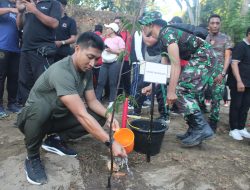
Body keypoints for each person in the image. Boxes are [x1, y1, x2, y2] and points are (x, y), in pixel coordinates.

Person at [16, 32, 127, 185]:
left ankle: (55, 140)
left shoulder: (86, 71)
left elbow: (92, 101)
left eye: (97, 59)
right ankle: (32, 156)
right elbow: (81, 114)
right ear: (77, 49)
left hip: (57, 117)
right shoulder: (62, 71)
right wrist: (110, 142)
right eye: (90, 57)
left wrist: (109, 116)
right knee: (41, 108)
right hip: (33, 120)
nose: (93, 63)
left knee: (99, 116)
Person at [139, 11, 218, 147]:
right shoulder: (163, 40)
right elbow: (164, 70)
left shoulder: (167, 33)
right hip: (199, 58)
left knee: (181, 89)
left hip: (205, 57)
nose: (142, 29)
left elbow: (175, 65)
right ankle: (194, 128)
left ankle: (201, 128)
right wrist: (151, 87)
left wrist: (171, 92)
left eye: (143, 26)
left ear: (151, 24)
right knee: (182, 90)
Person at [16, 0, 61, 105]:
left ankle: (43, 115)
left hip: (42, 50)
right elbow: (19, 26)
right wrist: (20, 11)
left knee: (43, 84)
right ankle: (29, 113)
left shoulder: (53, 3)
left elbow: (54, 23)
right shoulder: (30, 3)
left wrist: (35, 11)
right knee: (24, 82)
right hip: (26, 49)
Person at [204, 14, 234, 132]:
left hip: (218, 73)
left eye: (217, 23)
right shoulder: (206, 38)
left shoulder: (226, 38)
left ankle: (213, 123)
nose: (215, 25)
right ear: (209, 25)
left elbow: (228, 57)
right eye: (212, 23)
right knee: (202, 95)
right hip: (206, 72)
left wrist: (222, 73)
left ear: (220, 24)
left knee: (216, 99)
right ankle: (199, 120)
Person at [227, 27, 250, 140]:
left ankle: (241, 127)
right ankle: (233, 129)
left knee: (245, 106)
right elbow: (234, 64)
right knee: (236, 105)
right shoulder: (241, 46)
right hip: (238, 82)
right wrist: (239, 81)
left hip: (248, 83)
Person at [95, 22, 125, 108]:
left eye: (108, 28)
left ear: (113, 30)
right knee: (100, 82)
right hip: (105, 63)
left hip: (114, 63)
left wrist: (111, 50)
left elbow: (122, 52)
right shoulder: (106, 39)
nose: (107, 30)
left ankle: (112, 101)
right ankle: (97, 100)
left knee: (112, 82)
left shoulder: (119, 39)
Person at [0, 0, 21, 118]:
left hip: (15, 49)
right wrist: (10, 9)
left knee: (14, 76)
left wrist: (19, 12)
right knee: (0, 76)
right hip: (1, 47)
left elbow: (20, 26)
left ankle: (12, 104)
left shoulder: (18, 6)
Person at [114, 16, 132, 97]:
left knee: (126, 78)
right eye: (115, 23)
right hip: (116, 59)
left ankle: (128, 96)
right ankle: (118, 96)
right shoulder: (114, 34)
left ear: (122, 24)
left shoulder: (128, 34)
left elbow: (130, 46)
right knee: (117, 78)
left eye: (118, 23)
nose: (116, 24)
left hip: (126, 59)